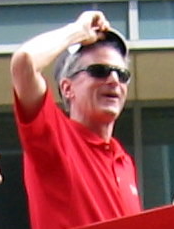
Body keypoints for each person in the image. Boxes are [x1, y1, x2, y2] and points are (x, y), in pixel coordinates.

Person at [10, 10, 142, 229]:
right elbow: (24, 63)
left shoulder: (123, 160)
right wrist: (77, 31)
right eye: (100, 71)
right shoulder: (54, 136)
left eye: (122, 74)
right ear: (67, 88)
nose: (114, 80)